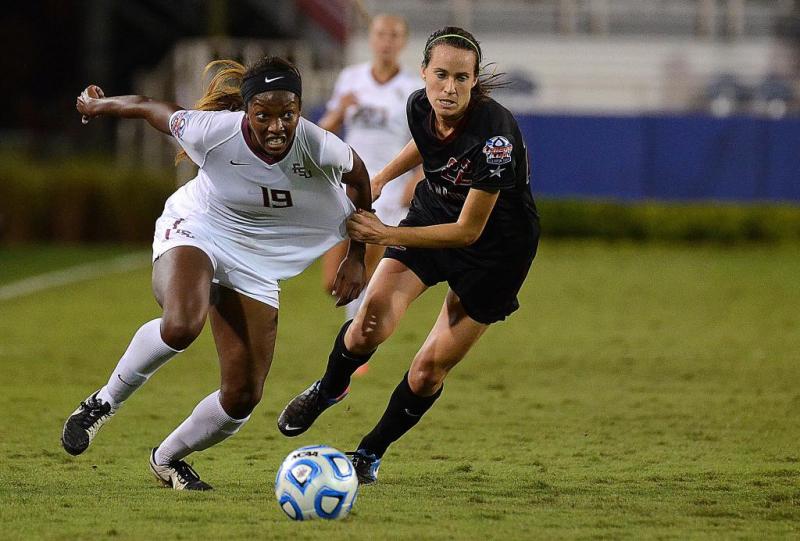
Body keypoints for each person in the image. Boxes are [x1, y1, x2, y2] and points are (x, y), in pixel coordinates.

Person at [61, 56, 371, 490]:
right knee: (183, 324)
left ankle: (167, 459)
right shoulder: (215, 132)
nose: (277, 126)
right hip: (198, 228)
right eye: (264, 115)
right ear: (247, 112)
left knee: (243, 397)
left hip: (256, 259)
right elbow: (155, 109)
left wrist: (356, 254)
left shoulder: (320, 145)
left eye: (288, 114)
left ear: (300, 110)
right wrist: (100, 106)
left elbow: (360, 179)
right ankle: (102, 402)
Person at [277, 27, 540, 484]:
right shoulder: (420, 104)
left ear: (474, 81)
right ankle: (329, 388)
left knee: (427, 369)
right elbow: (428, 142)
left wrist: (386, 230)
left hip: (496, 253)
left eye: (461, 78)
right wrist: (379, 180)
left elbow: (467, 231)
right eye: (441, 75)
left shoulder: (496, 136)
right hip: (433, 211)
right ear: (424, 73)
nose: (449, 88)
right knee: (369, 322)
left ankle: (369, 453)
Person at [319, 14, 422, 337]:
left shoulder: (413, 89)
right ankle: (360, 328)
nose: (386, 41)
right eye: (380, 34)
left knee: (366, 265)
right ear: (371, 39)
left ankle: (356, 339)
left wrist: (417, 178)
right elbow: (323, 133)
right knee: (331, 280)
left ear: (402, 42)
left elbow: (424, 142)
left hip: (389, 186)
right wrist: (339, 110)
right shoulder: (351, 78)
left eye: (394, 35)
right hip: (348, 181)